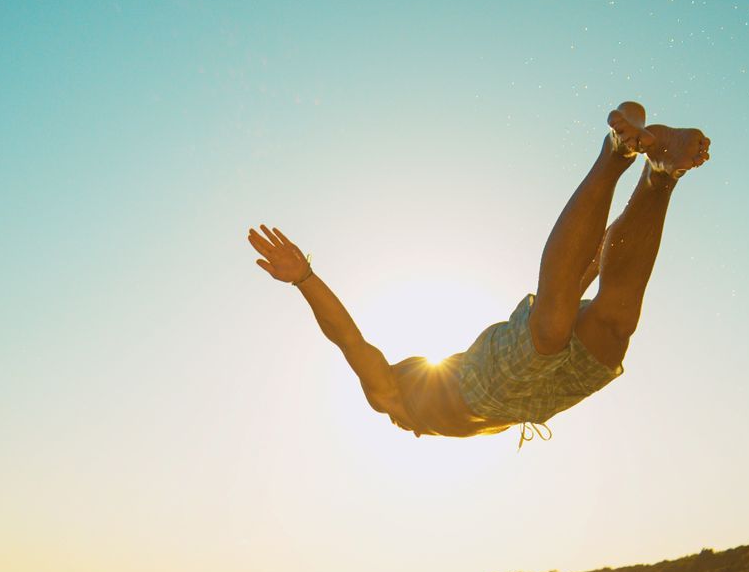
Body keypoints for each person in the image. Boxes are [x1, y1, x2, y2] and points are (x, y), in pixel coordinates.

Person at [246, 102, 710, 441]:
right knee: (615, 326)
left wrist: (305, 280)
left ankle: (615, 153)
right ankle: (660, 174)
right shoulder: (433, 415)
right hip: (539, 402)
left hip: (486, 381)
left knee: (547, 330)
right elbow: (568, 286)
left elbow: (348, 339)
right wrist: (588, 267)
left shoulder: (389, 397)